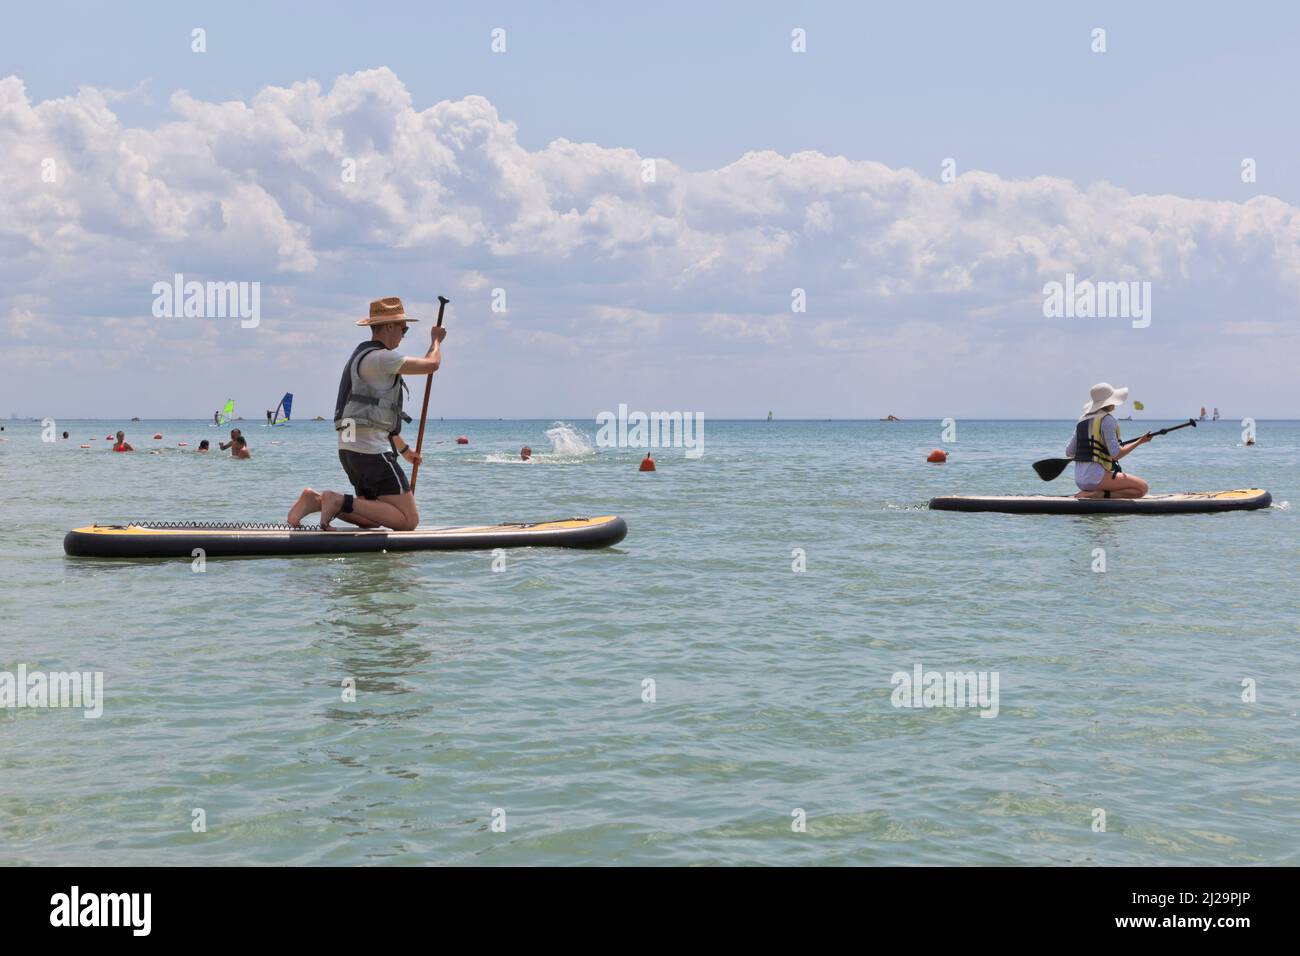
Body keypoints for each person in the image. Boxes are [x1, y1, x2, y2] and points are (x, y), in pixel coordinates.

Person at [287, 296, 445, 530]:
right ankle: (336, 499)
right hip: (370, 452)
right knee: (408, 521)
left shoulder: (361, 356)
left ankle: (317, 501)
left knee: (373, 519)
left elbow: (373, 416)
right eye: (404, 328)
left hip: (351, 450)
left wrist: (405, 450)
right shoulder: (382, 358)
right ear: (390, 326)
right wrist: (436, 340)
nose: (404, 334)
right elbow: (431, 364)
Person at [1065, 383, 1151, 499]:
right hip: (1096, 479)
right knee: (1142, 488)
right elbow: (1116, 455)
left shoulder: (1082, 420)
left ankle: (1094, 492)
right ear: (1108, 402)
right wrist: (1140, 441)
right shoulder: (1107, 420)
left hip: (1080, 480)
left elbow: (1069, 452)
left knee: (1136, 486)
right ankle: (1099, 494)